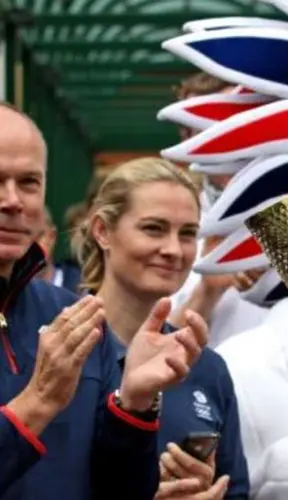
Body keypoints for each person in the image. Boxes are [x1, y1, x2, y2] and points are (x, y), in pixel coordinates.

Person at [0, 103, 209, 498]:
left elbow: (117, 489)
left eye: (28, 182)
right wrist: (38, 401)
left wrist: (134, 406)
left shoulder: (73, 318)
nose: (13, 200)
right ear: (102, 232)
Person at [75, 156, 250, 499]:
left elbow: (237, 489)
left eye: (187, 234)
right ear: (102, 231)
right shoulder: (58, 346)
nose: (173, 249)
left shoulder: (208, 368)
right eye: (153, 228)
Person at [168, 72, 269, 348]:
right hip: (204, 388)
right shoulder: (168, 224)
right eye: (206, 125)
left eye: (233, 121)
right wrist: (207, 292)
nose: (225, 135)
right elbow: (147, 352)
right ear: (187, 138)